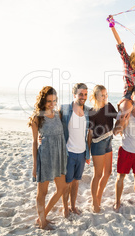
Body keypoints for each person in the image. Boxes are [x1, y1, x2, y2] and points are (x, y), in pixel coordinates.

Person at [28, 86, 68, 230]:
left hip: (59, 155)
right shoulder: (37, 118)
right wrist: (34, 165)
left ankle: (42, 216)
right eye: (49, 101)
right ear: (43, 100)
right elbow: (34, 142)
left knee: (62, 188)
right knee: (42, 192)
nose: (52, 103)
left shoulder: (58, 114)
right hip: (44, 156)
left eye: (54, 100)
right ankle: (43, 222)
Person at [59, 83, 90, 217]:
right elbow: (54, 125)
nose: (83, 97)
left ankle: (73, 206)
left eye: (85, 94)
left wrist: (87, 153)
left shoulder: (88, 111)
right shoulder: (65, 109)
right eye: (81, 94)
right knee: (67, 183)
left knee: (76, 182)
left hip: (82, 153)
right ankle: (65, 207)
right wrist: (41, 137)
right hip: (69, 152)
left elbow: (90, 133)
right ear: (74, 95)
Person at [88, 85, 118, 213]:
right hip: (97, 144)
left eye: (106, 94)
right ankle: (95, 202)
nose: (105, 97)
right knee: (98, 174)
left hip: (108, 141)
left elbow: (119, 118)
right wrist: (87, 152)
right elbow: (89, 133)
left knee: (108, 173)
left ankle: (98, 197)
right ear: (96, 96)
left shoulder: (109, 106)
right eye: (102, 95)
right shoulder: (91, 112)